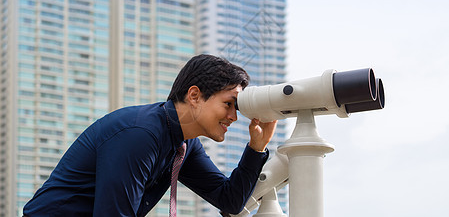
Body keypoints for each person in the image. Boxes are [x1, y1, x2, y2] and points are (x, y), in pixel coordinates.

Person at [23, 54, 277, 216]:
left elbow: (229, 199)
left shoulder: (184, 144)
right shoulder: (140, 135)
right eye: (228, 104)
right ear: (195, 96)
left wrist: (256, 148)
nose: (233, 116)